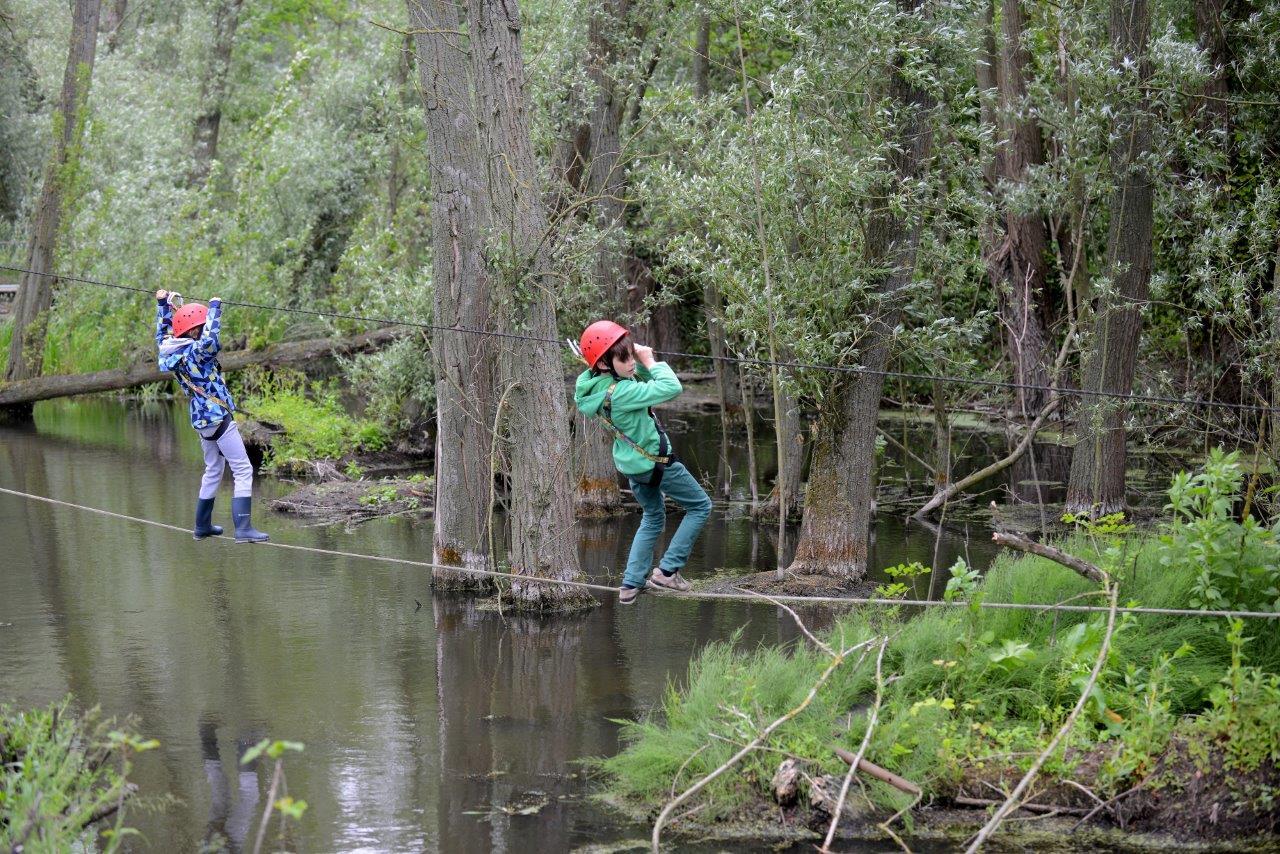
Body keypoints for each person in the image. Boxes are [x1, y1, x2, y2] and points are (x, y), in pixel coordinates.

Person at [573, 321, 712, 604]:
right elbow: (670, 387)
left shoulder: (601, 386)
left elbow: (645, 382)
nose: (630, 362)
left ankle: (631, 583)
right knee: (700, 506)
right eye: (623, 358)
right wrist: (649, 359)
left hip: (633, 467)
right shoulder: (623, 392)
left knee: (653, 516)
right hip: (657, 463)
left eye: (629, 355)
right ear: (603, 364)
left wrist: (634, 359)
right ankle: (668, 571)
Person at [155, 288, 268, 543]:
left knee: (214, 468)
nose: (206, 329)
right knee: (242, 469)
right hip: (218, 417)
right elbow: (210, 340)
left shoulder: (173, 351)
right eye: (202, 326)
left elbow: (162, 335)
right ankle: (243, 529)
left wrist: (162, 304)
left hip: (201, 420)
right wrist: (215, 309)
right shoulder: (198, 352)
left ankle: (202, 526)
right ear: (195, 331)